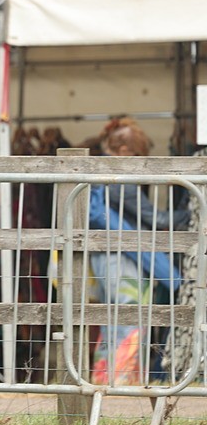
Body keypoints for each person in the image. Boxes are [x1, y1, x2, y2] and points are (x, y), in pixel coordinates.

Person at [88, 118, 188, 384]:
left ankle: (105, 378)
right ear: (123, 152)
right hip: (124, 259)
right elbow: (157, 220)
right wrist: (188, 214)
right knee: (131, 316)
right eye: (137, 156)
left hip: (103, 257)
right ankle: (122, 382)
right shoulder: (119, 180)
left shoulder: (96, 175)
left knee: (111, 319)